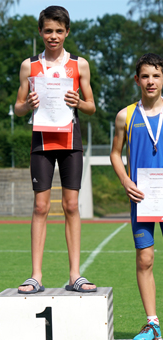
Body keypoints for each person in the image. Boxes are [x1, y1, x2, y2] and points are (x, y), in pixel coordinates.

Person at [15, 5, 96, 294]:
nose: (53, 36)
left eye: (59, 31)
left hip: (70, 141)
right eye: (48, 30)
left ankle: (75, 274)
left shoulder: (80, 64)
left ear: (67, 32)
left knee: (71, 206)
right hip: (41, 142)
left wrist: (78, 102)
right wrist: (28, 105)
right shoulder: (30, 66)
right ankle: (36, 275)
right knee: (40, 206)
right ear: (40, 31)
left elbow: (91, 106)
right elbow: (18, 105)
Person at [110, 53, 163, 340]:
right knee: (145, 259)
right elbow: (115, 154)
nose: (150, 81)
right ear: (137, 79)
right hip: (142, 196)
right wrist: (125, 180)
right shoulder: (125, 115)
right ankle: (153, 324)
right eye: (145, 76)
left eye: (156, 75)